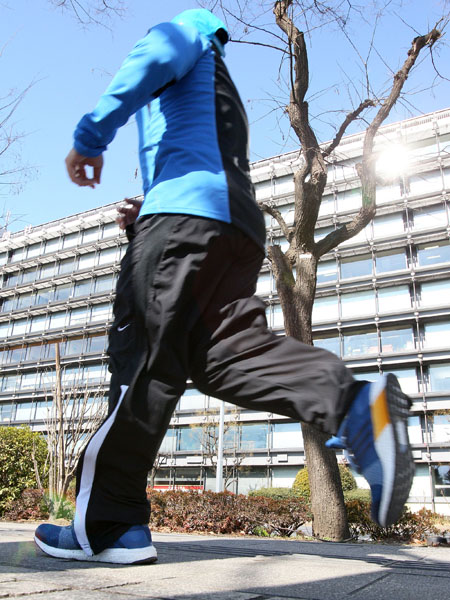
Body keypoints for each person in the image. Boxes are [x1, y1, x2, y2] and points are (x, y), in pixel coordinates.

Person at [34, 8, 414, 565]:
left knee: (142, 362)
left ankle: (108, 525)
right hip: (234, 228)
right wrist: (152, 209)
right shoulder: (217, 89)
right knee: (227, 357)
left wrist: (90, 138)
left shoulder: (181, 35)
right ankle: (356, 404)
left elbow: (155, 56)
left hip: (187, 222)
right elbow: (200, 157)